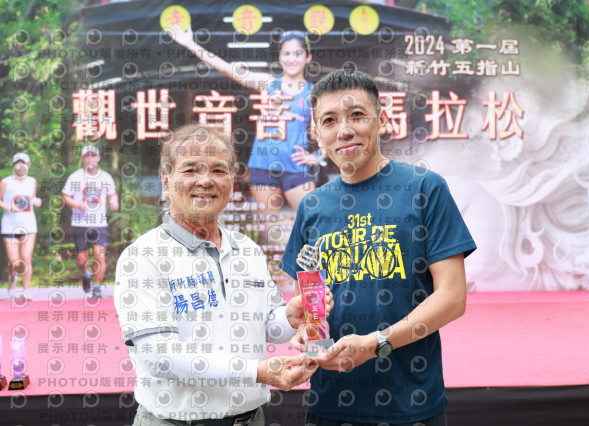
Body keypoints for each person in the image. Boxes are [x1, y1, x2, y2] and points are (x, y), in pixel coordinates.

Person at [280, 69, 477, 426]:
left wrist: (376, 343)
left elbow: (452, 297)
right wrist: (308, 338)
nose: (344, 130)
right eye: (329, 120)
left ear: (381, 120)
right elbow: (309, 305)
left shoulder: (424, 188)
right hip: (329, 404)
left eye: (356, 115)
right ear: (317, 134)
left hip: (411, 405)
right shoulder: (312, 206)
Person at [114, 124, 332, 425]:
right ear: (166, 180)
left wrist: (291, 315)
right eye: (191, 169)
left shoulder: (247, 249)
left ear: (231, 181)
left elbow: (269, 326)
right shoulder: (143, 256)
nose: (206, 180)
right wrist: (259, 372)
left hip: (251, 419)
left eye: (218, 170)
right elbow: (159, 357)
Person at [169, 26, 321, 221]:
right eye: (286, 53)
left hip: (296, 168)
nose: (292, 59)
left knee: (313, 223)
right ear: (280, 57)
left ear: (308, 57)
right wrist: (191, 44)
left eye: (298, 53)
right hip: (262, 167)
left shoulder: (313, 92)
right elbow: (228, 69)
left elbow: (331, 128)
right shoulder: (269, 83)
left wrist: (318, 156)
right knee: (268, 228)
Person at [62, 145, 119, 298]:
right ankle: (86, 274)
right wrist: (77, 205)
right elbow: (65, 197)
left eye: (93, 155)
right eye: (87, 156)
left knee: (100, 256)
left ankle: (97, 287)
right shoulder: (75, 177)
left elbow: (112, 194)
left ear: (98, 158)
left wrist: (114, 202)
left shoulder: (105, 177)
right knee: (82, 259)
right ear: (83, 159)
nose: (90, 158)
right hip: (80, 223)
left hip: (99, 223)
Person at [0, 153, 41, 300]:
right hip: (10, 225)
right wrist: (9, 207)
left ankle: (25, 290)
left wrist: (36, 201)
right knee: (15, 262)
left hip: (28, 225)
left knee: (26, 258)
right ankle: (12, 280)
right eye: (18, 163)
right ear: (13, 165)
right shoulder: (5, 182)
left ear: (28, 165)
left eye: (23, 163)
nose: (20, 166)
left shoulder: (32, 181)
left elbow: (33, 198)